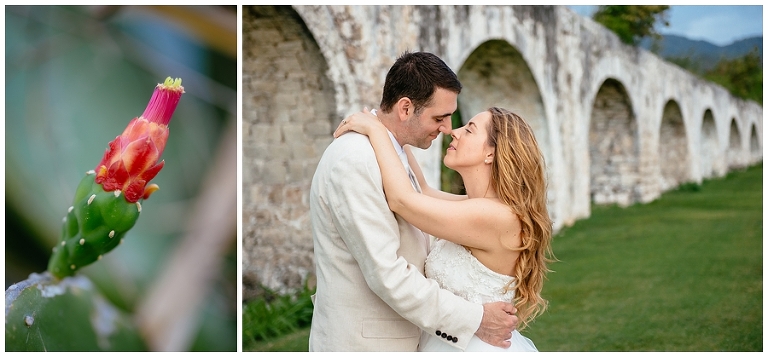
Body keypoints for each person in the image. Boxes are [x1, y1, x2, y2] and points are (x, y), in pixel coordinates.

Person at [308, 51, 519, 351]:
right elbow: (388, 275)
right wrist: (475, 319)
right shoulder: (355, 160)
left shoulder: (388, 153)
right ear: (406, 108)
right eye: (439, 117)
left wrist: (375, 127)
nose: (447, 128)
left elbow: (413, 198)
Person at [334, 106, 553, 351]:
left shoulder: (495, 216)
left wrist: (375, 130)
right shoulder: (482, 207)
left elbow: (403, 201)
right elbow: (423, 192)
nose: (455, 132)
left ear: (491, 153)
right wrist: (394, 129)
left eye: (469, 130)